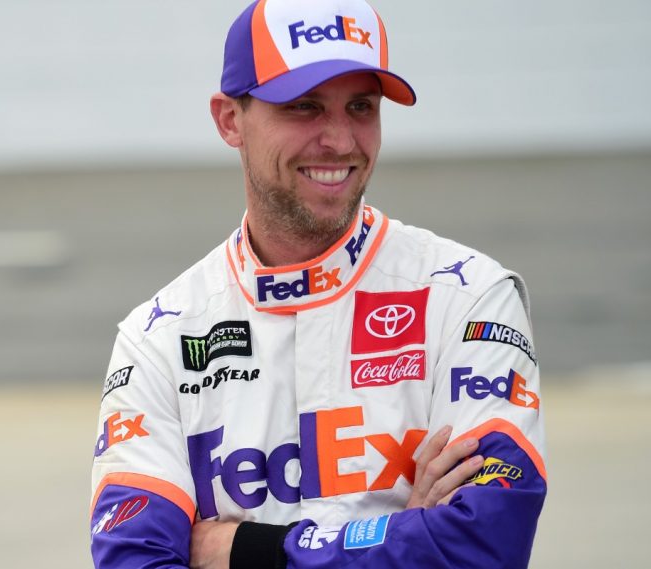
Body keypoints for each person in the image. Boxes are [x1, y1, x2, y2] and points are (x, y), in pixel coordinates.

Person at [90, 0, 546, 567]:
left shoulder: (469, 298)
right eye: (304, 107)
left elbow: (485, 545)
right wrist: (408, 535)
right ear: (230, 120)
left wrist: (247, 552)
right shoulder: (159, 338)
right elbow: (135, 559)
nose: (339, 140)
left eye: (361, 106)